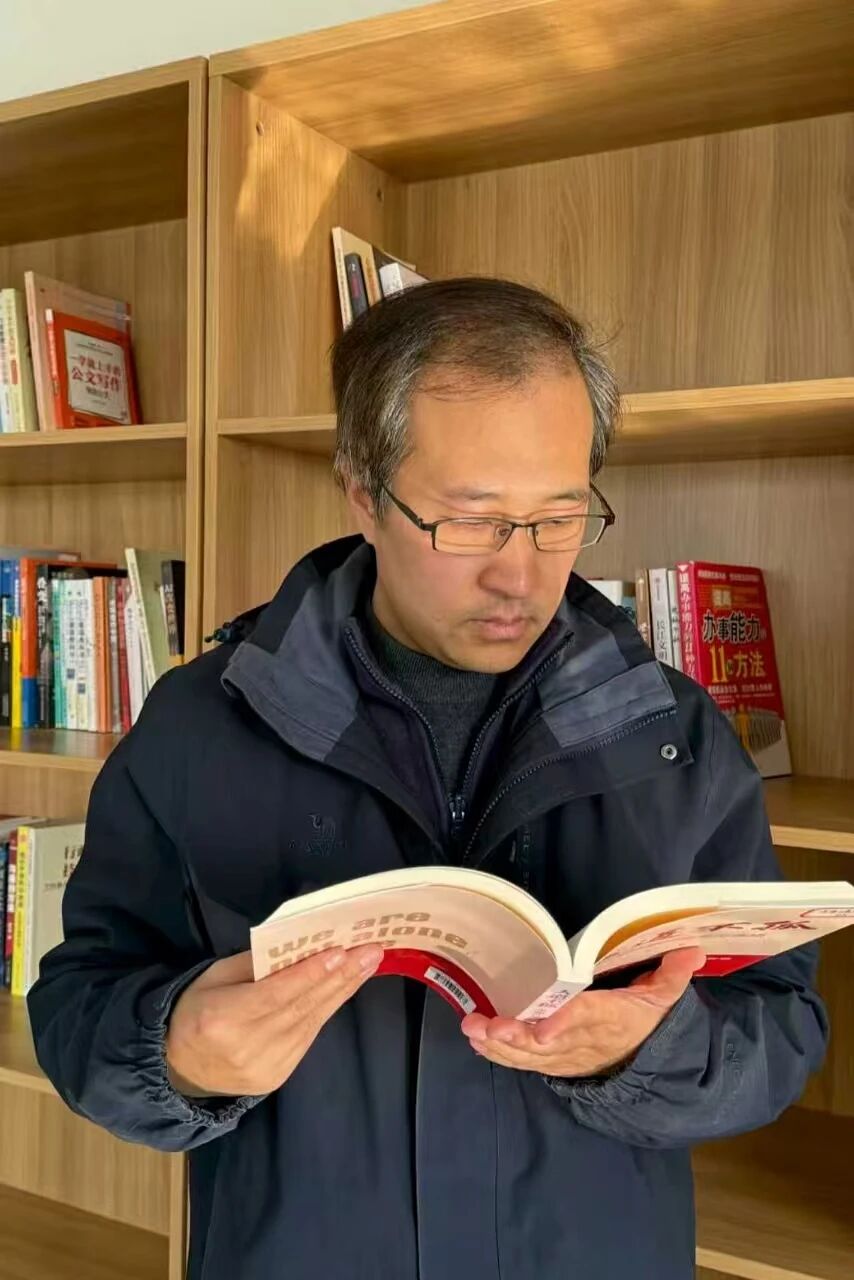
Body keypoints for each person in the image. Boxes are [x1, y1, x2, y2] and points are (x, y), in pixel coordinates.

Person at [28, 279, 827, 1280]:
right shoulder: (200, 723)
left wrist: (644, 1050)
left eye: (560, 516)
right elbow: (78, 1003)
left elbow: (783, 1025)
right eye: (469, 521)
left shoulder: (675, 733)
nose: (519, 576)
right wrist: (177, 1052)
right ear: (363, 494)